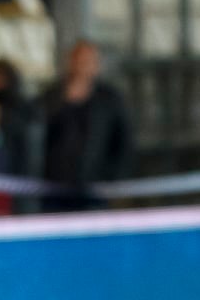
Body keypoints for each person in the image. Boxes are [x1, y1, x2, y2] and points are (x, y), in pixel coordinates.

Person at [39, 40, 134, 209]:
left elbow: (123, 141)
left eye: (88, 61)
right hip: (54, 187)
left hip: (95, 188)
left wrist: (113, 178)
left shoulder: (110, 99)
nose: (82, 67)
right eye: (78, 61)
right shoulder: (52, 96)